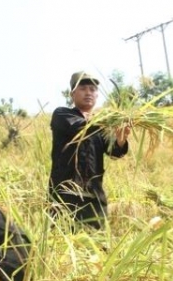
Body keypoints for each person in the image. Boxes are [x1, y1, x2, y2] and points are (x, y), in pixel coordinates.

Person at [48, 71, 130, 229]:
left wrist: (121, 139)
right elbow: (81, 127)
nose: (88, 93)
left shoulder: (101, 126)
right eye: (83, 88)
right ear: (72, 94)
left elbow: (114, 153)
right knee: (62, 245)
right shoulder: (62, 114)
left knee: (97, 248)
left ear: (97, 95)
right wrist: (109, 119)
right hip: (66, 195)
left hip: (94, 197)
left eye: (92, 89)